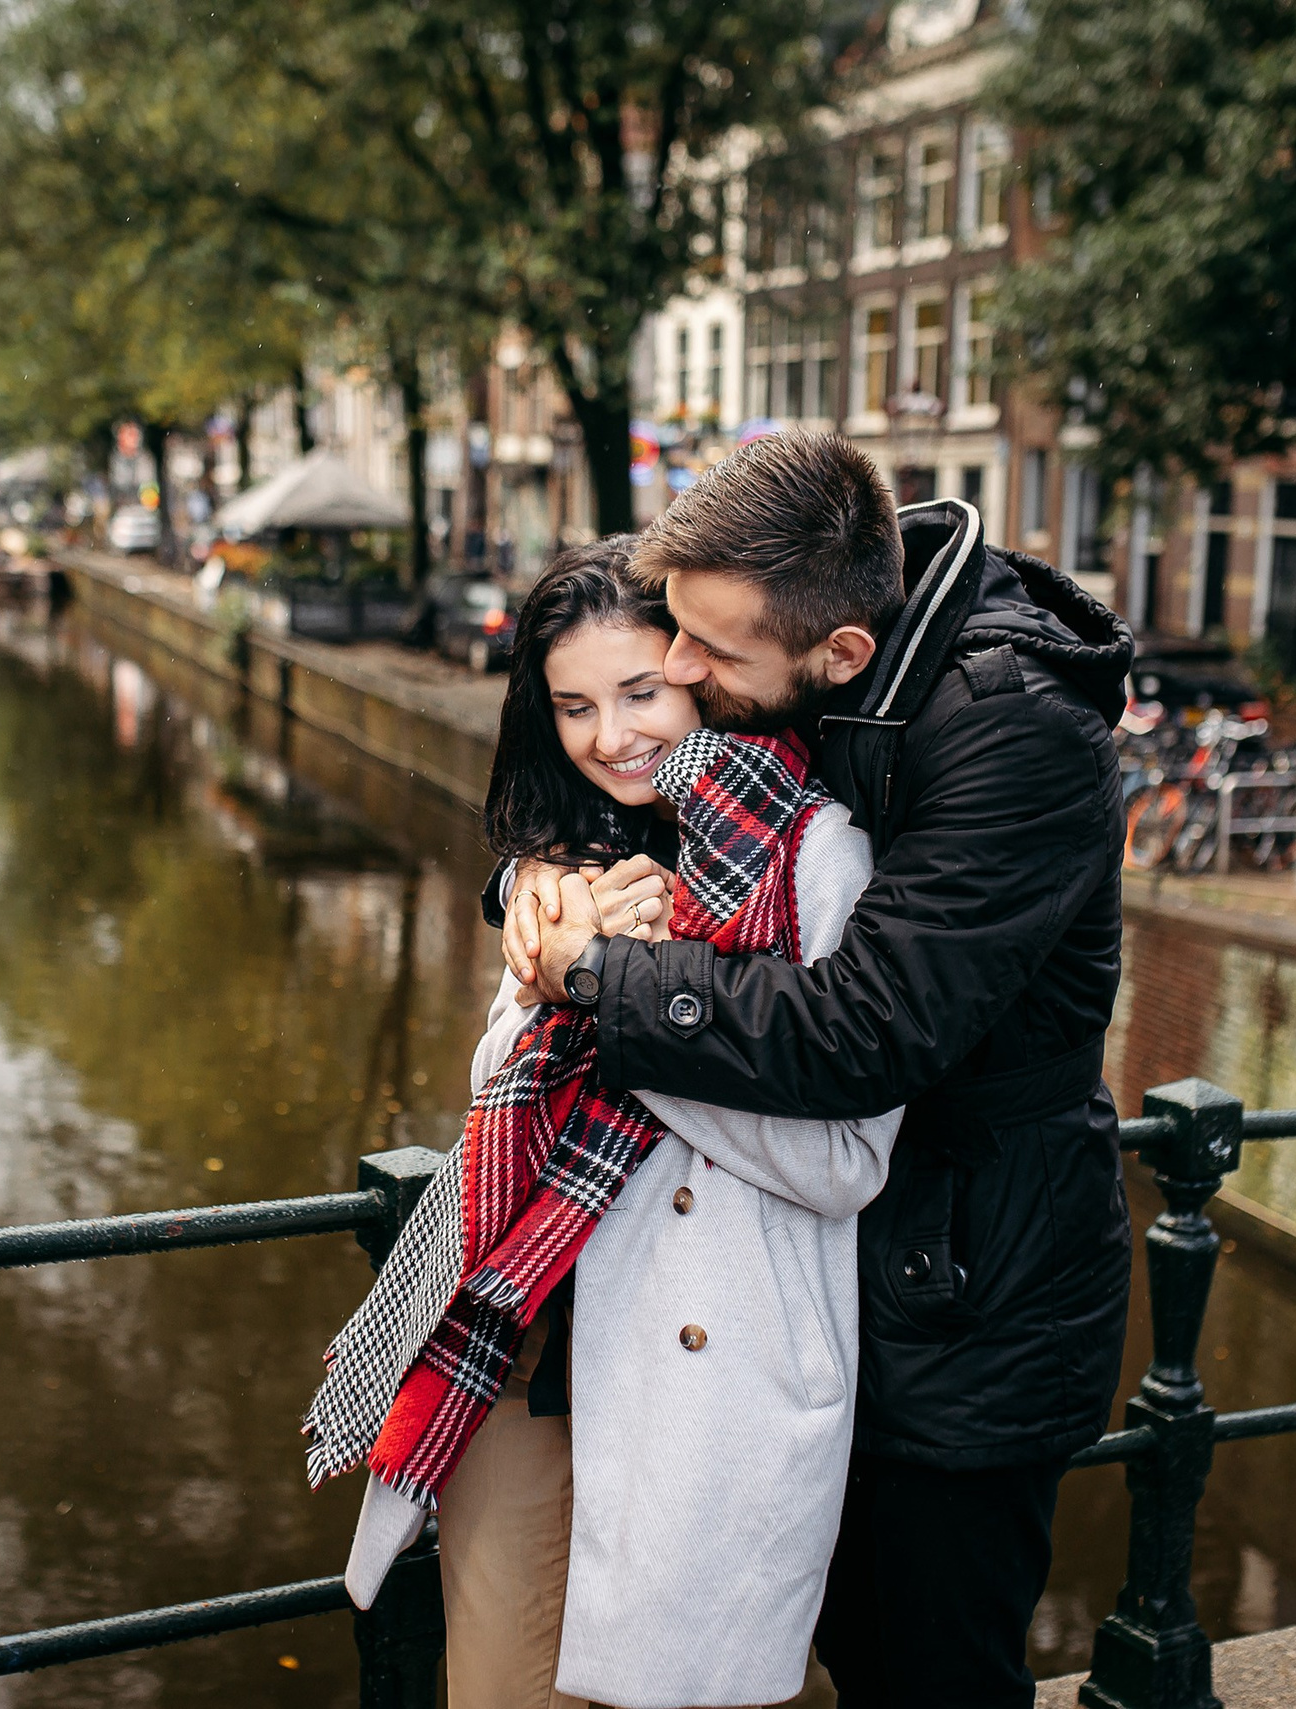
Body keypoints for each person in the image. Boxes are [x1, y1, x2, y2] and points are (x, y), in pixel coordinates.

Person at [510, 434, 1135, 1708]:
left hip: (968, 1292)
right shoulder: (833, 617)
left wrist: (593, 978)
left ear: (837, 658)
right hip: (844, 1282)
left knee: (931, 1672)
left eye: (707, 655)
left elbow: (865, 1028)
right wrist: (531, 881)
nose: (676, 671)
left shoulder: (1013, 733)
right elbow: (668, 815)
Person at [305, 536, 903, 1709]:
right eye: (574, 705)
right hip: (522, 1344)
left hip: (708, 1376)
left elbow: (846, 1161)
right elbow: (493, 1082)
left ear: (697, 668)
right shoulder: (566, 861)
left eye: (640, 691)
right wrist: (545, 983)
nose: (612, 735)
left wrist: (628, 1000)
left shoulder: (817, 855)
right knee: (499, 1685)